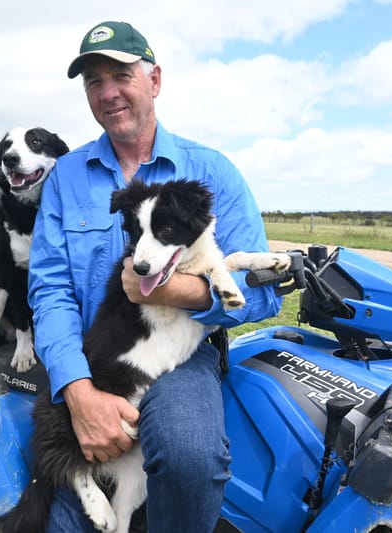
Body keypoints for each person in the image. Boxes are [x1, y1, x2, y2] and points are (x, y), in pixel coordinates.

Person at [27, 21, 283, 532]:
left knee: (190, 456)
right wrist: (77, 390)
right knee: (63, 521)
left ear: (155, 79)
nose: (108, 92)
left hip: (183, 352)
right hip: (96, 351)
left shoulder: (212, 172)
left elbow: (264, 296)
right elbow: (50, 289)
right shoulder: (67, 178)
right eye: (93, 81)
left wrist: (181, 290)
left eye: (121, 74)